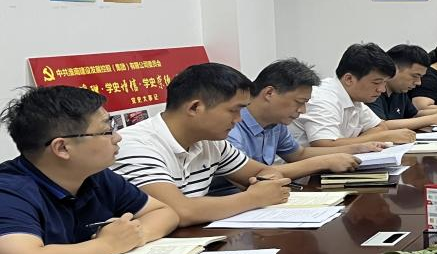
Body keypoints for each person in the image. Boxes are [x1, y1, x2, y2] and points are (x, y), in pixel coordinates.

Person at [0, 86, 179, 254]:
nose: (117, 137)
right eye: (106, 130)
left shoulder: (95, 176)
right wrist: (108, 244)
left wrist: (133, 235)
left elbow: (164, 213)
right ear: (62, 148)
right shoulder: (9, 191)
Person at [111, 63, 295, 226]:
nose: (238, 119)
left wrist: (266, 183)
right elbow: (179, 211)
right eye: (233, 110)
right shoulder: (136, 144)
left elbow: (263, 171)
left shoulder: (211, 142)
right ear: (195, 107)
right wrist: (254, 198)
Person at [213, 59, 392, 195]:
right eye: (299, 102)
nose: (303, 110)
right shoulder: (230, 126)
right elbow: (255, 175)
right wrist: (325, 161)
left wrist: (357, 148)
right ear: (269, 93)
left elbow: (298, 154)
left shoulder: (276, 123)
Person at [289, 43, 415, 147]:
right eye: (376, 82)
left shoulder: (354, 97)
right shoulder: (323, 98)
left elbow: (380, 126)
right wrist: (381, 137)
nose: (382, 89)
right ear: (349, 79)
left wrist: (368, 140)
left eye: (385, 83)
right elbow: (325, 145)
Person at [368, 44, 437, 130]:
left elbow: (415, 115)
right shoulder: (373, 91)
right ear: (394, 69)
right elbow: (380, 125)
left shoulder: (400, 91)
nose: (419, 83)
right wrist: (432, 119)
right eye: (415, 76)